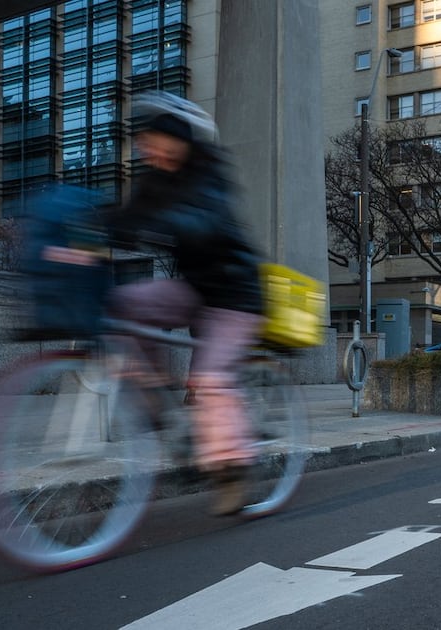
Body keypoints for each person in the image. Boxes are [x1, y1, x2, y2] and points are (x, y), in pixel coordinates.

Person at [107, 91, 265, 516]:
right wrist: (79, 230)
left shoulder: (208, 170)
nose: (145, 148)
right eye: (141, 141)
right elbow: (123, 222)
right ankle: (156, 398)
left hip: (235, 297)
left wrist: (163, 221)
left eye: (152, 139)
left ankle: (232, 472)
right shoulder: (154, 181)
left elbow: (207, 220)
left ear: (177, 139)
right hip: (193, 290)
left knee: (210, 381)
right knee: (122, 302)